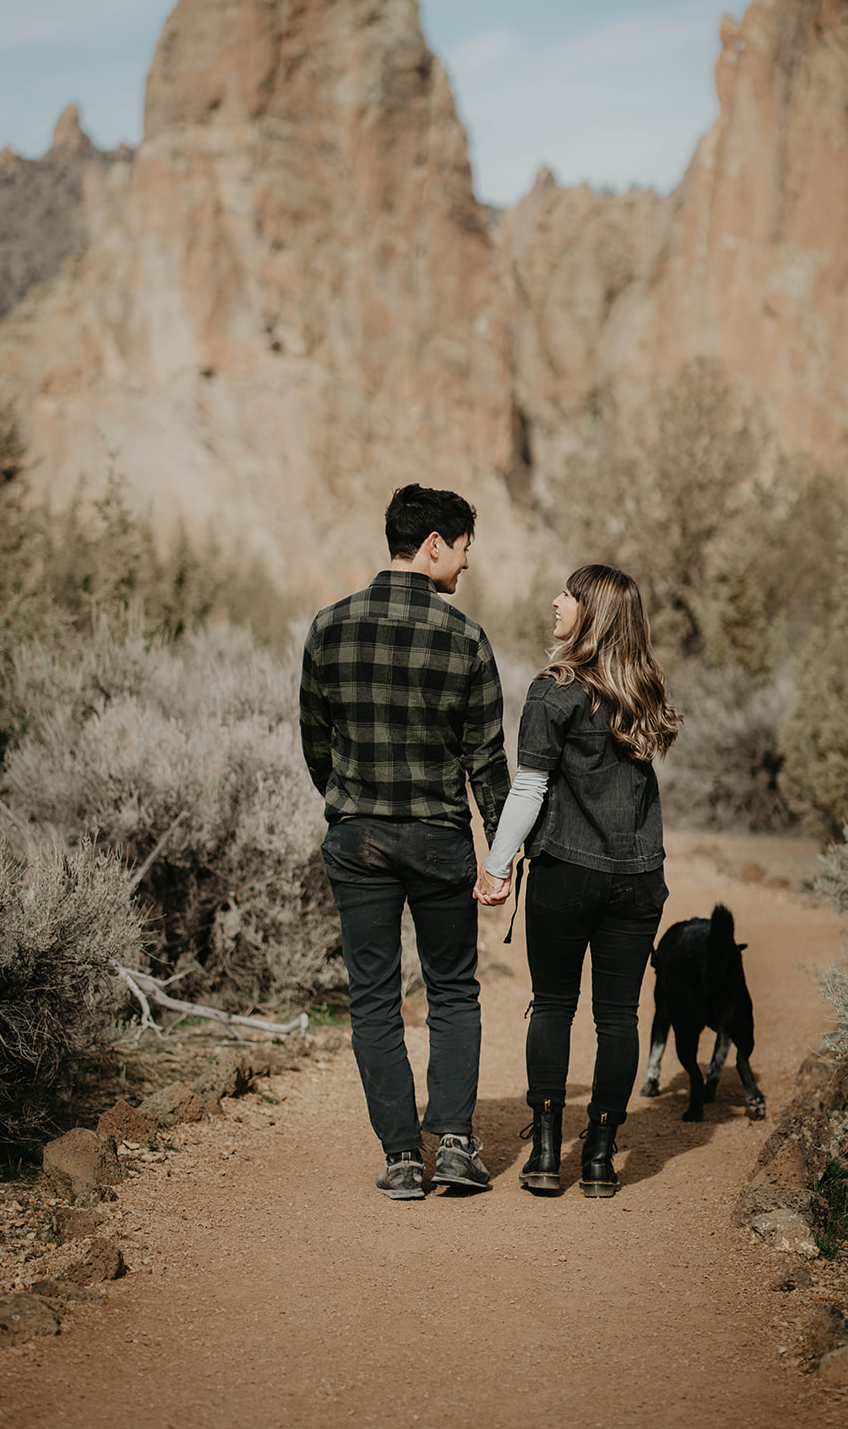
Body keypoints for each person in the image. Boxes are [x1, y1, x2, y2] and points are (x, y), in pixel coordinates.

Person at [300, 483, 512, 1200]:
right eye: (461, 550)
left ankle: (399, 1159)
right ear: (432, 546)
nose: (464, 565)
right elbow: (486, 761)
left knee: (373, 999)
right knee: (452, 990)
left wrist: (352, 802)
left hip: (357, 838)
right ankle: (452, 1142)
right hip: (437, 840)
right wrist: (501, 854)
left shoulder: (329, 627)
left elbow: (315, 742)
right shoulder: (465, 639)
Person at [477, 564, 680, 1198]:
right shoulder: (644, 693)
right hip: (639, 878)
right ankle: (597, 1156)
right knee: (618, 1016)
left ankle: (543, 1154)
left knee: (554, 1005)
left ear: (592, 613)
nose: (556, 601)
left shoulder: (553, 691)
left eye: (569, 594)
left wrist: (496, 865)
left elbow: (531, 785)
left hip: (567, 871)